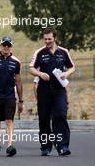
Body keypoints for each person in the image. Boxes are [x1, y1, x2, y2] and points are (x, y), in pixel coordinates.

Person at [29, 27, 75, 156]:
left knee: (60, 115)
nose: (47, 41)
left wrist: (66, 73)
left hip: (59, 90)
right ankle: (46, 146)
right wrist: (40, 73)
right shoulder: (40, 52)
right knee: (43, 119)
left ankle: (62, 146)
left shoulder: (63, 52)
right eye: (45, 39)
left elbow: (72, 67)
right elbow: (31, 68)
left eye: (49, 39)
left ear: (55, 38)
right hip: (44, 90)